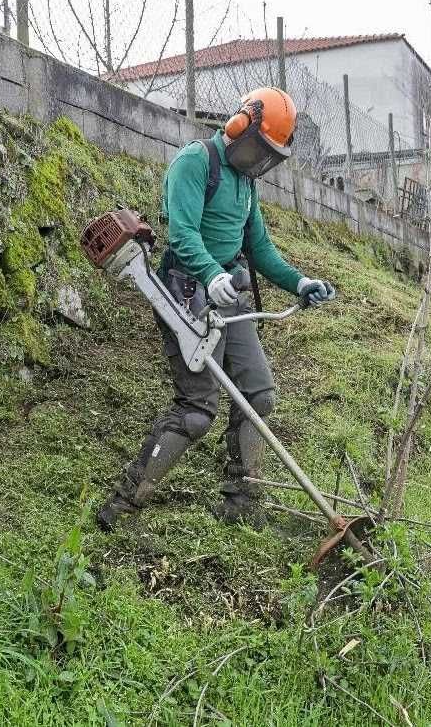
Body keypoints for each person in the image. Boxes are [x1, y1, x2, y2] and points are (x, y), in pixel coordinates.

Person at [95, 87, 336, 531]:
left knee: (258, 394)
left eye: (271, 158)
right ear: (239, 127)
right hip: (184, 290)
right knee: (196, 408)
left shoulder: (245, 184)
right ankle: (122, 505)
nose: (261, 165)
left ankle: (241, 500)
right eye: (260, 151)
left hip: (229, 290)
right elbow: (182, 235)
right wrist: (211, 276)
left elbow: (258, 246)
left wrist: (299, 282)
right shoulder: (195, 163)